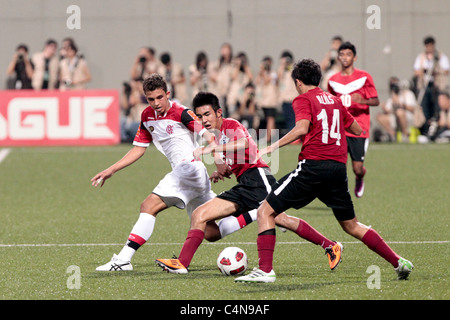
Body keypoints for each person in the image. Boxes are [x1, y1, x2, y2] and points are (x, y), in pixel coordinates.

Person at [235, 59, 413, 283]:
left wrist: (272, 146)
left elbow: (301, 128)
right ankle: (399, 262)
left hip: (314, 167)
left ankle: (265, 270)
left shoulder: (302, 99)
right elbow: (357, 128)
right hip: (338, 169)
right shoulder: (336, 101)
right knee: (351, 225)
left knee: (265, 211)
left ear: (298, 82)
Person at [155, 91, 344, 274]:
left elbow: (244, 143)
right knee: (202, 219)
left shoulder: (230, 125)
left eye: (207, 114)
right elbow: (231, 163)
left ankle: (331, 246)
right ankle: (181, 263)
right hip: (243, 186)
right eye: (199, 116)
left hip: (259, 179)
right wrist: (219, 171)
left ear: (218, 112)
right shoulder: (217, 136)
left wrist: (209, 150)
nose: (204, 120)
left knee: (282, 219)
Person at [93, 74, 253, 271]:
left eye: (160, 97)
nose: (156, 103)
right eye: (151, 99)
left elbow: (209, 137)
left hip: (188, 170)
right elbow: (139, 149)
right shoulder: (146, 117)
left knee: (148, 205)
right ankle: (256, 212)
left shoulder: (181, 112)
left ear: (167, 94)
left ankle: (123, 260)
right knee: (211, 232)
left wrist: (219, 164)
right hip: (196, 177)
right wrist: (111, 169)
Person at [328, 41, 379, 198]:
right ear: (338, 57)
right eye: (342, 54)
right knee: (337, 166)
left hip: (359, 128)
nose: (344, 57)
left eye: (348, 54)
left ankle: (359, 177)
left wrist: (362, 101)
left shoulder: (364, 77)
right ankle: (339, 194)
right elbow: (331, 101)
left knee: (357, 168)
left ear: (354, 57)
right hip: (340, 129)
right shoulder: (333, 80)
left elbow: (376, 101)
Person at [413, 36, 449, 139]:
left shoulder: (440, 56)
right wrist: (424, 71)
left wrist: (436, 71)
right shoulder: (421, 57)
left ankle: (437, 132)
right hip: (425, 87)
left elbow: (446, 70)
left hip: (437, 87)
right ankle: (426, 131)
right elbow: (417, 71)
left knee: (438, 109)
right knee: (425, 109)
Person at [376, 77, 418, 142]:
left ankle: (405, 135)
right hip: (395, 118)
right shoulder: (393, 96)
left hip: (408, 117)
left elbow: (412, 108)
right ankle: (392, 134)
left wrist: (400, 104)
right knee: (380, 116)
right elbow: (388, 109)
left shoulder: (407, 93)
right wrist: (384, 107)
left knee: (399, 112)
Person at [256, 56, 279, 143]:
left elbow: (266, 81)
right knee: (269, 119)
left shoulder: (273, 73)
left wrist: (263, 72)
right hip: (265, 101)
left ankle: (268, 138)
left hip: (271, 101)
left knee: (270, 119)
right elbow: (257, 82)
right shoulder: (262, 74)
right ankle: (272, 137)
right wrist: (260, 72)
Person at [227, 52, 253, 118]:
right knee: (233, 118)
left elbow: (251, 78)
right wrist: (237, 65)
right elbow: (233, 77)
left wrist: (245, 66)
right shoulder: (233, 68)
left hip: (243, 99)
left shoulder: (247, 70)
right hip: (233, 98)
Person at [277, 50, 298, 134]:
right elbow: (278, 78)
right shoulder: (281, 70)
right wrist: (282, 65)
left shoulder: (293, 69)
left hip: (293, 98)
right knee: (288, 119)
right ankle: (291, 135)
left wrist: (290, 65)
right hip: (284, 99)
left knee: (294, 119)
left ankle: (295, 137)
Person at [210, 43, 234, 116]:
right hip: (220, 91)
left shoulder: (233, 63)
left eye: (226, 50)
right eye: (223, 50)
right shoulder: (218, 63)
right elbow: (212, 75)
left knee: (232, 112)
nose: (224, 52)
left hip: (231, 91)